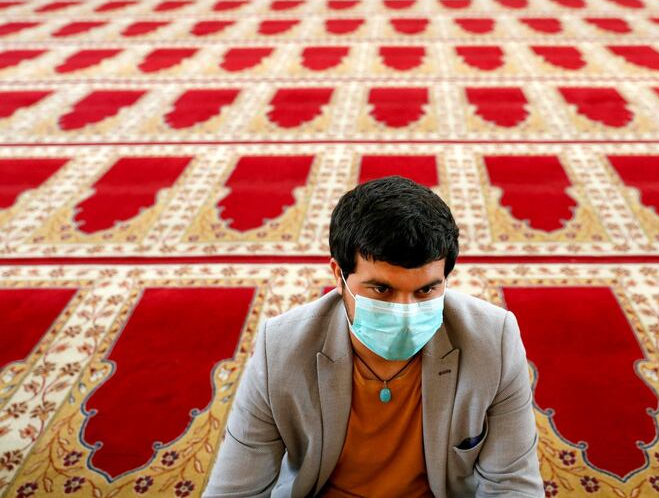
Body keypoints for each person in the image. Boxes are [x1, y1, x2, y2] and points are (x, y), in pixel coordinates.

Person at [202, 175, 544, 497]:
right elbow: (236, 489)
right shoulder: (279, 348)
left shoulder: (493, 339)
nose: (407, 313)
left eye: (426, 290)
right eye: (382, 289)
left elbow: (513, 484)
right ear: (339, 275)